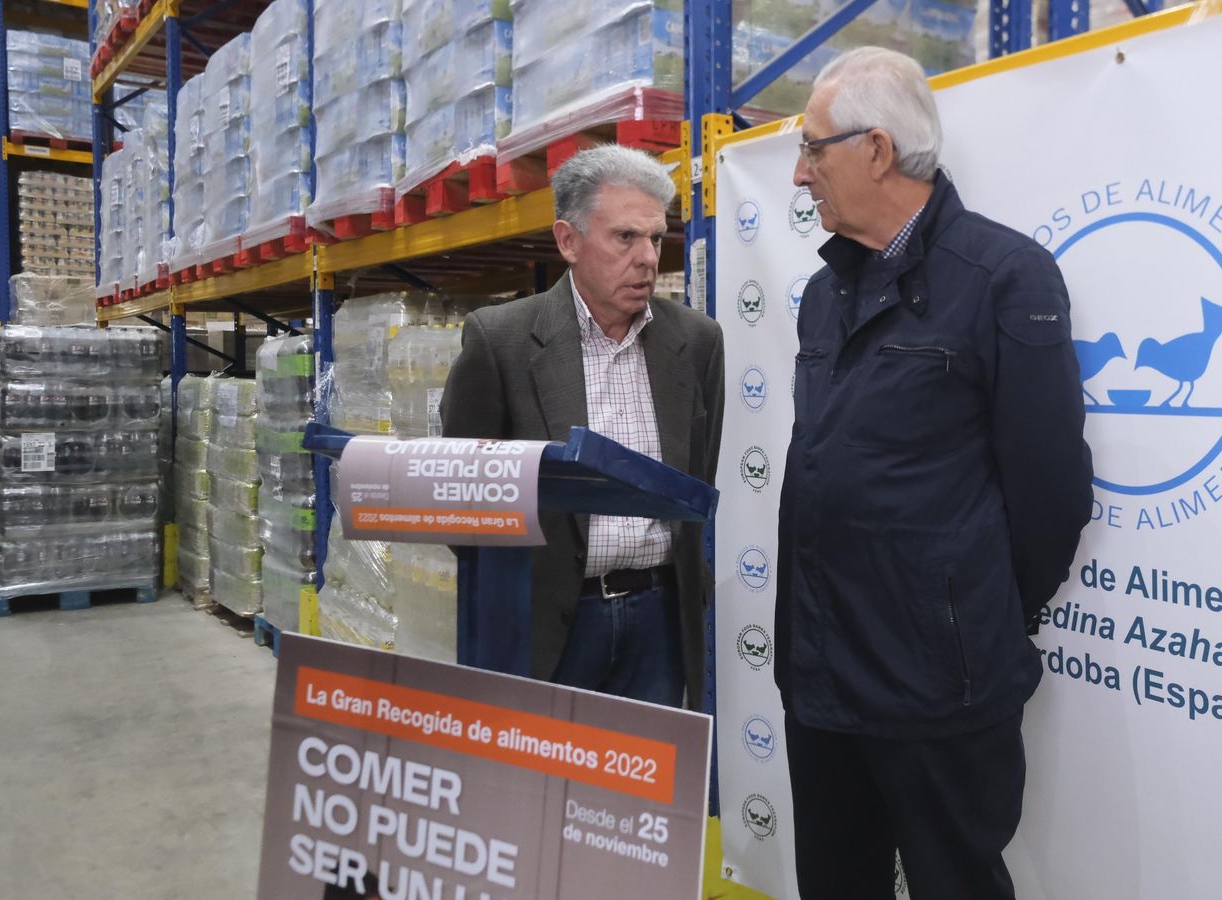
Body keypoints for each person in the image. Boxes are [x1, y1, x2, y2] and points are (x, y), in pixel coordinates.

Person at [775, 47, 1093, 898]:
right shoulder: (823, 291)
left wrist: (966, 613)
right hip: (821, 672)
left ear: (876, 151)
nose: (800, 174)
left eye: (813, 149)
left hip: (937, 689)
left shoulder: (1003, 277)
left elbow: (1051, 490)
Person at [442, 145, 725, 709]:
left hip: (659, 623)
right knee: (542, 792)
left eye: (656, 237)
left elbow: (697, 482)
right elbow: (461, 504)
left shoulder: (696, 343)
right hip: (548, 625)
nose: (648, 257)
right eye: (625, 238)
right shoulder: (500, 342)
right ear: (568, 241)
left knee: (647, 792)